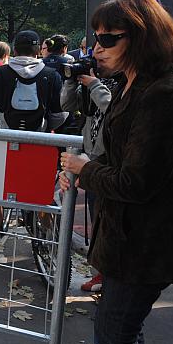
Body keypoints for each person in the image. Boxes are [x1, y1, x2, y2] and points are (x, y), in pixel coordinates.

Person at [59, 0, 173, 344]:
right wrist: (81, 170)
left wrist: (85, 169)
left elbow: (136, 182)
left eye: (109, 38)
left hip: (147, 241)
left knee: (114, 337)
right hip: (130, 237)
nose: (97, 48)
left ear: (142, 38)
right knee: (123, 334)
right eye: (96, 37)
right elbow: (121, 157)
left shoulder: (163, 94)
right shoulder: (133, 83)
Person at [0, 30, 68, 262]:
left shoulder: (0, 74)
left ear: (14, 50)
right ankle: (46, 240)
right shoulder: (51, 75)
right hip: (40, 144)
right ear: (38, 51)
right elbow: (59, 115)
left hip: (7, 144)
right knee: (42, 194)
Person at [60, 50, 120, 292]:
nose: (100, 58)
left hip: (112, 160)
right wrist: (70, 81)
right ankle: (101, 273)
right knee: (97, 218)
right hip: (92, 155)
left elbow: (113, 110)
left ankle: (111, 276)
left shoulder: (126, 82)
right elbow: (66, 105)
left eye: (104, 56)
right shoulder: (92, 82)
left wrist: (94, 85)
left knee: (109, 221)